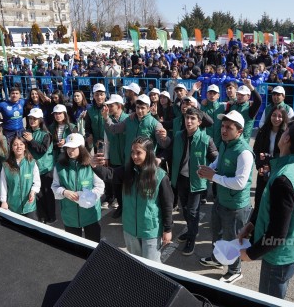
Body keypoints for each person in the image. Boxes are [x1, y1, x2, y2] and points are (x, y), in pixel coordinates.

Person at [238, 119, 294, 299]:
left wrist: (250, 254)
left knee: (270, 299)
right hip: (289, 249)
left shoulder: (284, 178)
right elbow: (269, 205)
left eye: (284, 132)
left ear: (287, 139)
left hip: (279, 255)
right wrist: (251, 225)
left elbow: (277, 233)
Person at [91, 136, 174, 262]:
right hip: (130, 230)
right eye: (132, 152)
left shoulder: (161, 176)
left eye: (138, 153)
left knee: (152, 269)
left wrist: (167, 229)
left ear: (149, 153)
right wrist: (94, 165)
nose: (134, 156)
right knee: (136, 265)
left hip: (150, 232)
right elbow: (109, 174)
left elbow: (167, 205)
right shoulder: (127, 171)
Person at [197, 110, 254, 284]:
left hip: (236, 206)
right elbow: (219, 161)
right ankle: (218, 258)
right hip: (221, 199)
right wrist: (210, 168)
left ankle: (235, 270)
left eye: (229, 127)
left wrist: (212, 177)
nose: (223, 130)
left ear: (239, 131)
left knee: (232, 239)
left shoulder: (244, 152)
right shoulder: (225, 144)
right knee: (217, 232)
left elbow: (240, 183)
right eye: (222, 126)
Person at [170, 107, 218, 255]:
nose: (189, 121)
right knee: (184, 208)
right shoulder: (178, 135)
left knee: (192, 211)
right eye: (187, 118)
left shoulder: (206, 139)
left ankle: (191, 238)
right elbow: (168, 151)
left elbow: (216, 158)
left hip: (196, 182)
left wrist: (211, 172)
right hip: (181, 179)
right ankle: (192, 230)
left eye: (193, 119)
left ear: (199, 122)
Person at [51, 133, 105, 242]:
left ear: (81, 148)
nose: (70, 151)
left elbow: (100, 186)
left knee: (93, 246)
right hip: (70, 216)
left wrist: (88, 196)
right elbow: (55, 186)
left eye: (74, 148)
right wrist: (64, 192)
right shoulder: (59, 166)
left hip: (91, 215)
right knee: (75, 249)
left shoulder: (91, 164)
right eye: (68, 148)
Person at [102, 94, 170, 165]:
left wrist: (165, 138)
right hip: (129, 161)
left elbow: (164, 144)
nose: (139, 111)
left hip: (145, 164)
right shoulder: (129, 120)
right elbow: (114, 129)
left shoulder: (155, 124)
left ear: (148, 108)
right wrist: (106, 118)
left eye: (143, 108)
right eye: (138, 107)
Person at [251, 107, 289, 224]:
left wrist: (270, 162)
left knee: (274, 199)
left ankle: (271, 224)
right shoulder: (263, 130)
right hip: (263, 170)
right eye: (274, 115)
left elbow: (285, 154)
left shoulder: (286, 133)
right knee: (260, 198)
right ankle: (255, 224)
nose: (276, 119)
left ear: (284, 118)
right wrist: (260, 166)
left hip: (278, 170)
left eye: (279, 116)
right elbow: (256, 150)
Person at [23, 108, 56, 223]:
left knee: (47, 194)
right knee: (38, 193)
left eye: (35, 119)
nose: (32, 121)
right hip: (33, 168)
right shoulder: (27, 132)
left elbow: (42, 149)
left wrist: (31, 140)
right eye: (31, 118)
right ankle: (42, 216)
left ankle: (52, 216)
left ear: (40, 120)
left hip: (45, 168)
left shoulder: (46, 134)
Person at [0, 136, 40, 220]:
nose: (19, 147)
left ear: (25, 147)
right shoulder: (6, 165)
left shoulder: (31, 162)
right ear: (12, 148)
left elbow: (37, 182)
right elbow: (3, 184)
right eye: (15, 145)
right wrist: (3, 201)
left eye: (21, 144)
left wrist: (33, 192)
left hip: (29, 205)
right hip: (13, 206)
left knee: (32, 231)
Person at [103, 94, 129, 218]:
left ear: (119, 106)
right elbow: (106, 140)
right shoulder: (108, 121)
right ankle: (121, 206)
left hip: (127, 158)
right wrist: (106, 157)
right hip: (114, 158)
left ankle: (129, 208)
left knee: (129, 185)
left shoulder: (128, 119)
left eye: (111, 105)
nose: (108, 108)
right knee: (117, 185)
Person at [85, 83, 107, 152]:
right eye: (96, 95)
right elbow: (87, 127)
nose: (99, 97)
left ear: (105, 95)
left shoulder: (110, 108)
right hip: (96, 144)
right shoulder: (90, 110)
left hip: (109, 143)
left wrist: (104, 140)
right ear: (93, 96)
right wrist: (89, 135)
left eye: (101, 94)